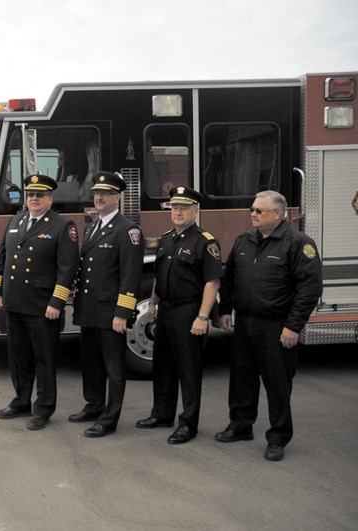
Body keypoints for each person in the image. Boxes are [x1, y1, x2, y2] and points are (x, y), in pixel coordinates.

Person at [215, 190, 322, 461]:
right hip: (245, 323)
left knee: (277, 384)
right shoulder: (244, 240)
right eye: (252, 209)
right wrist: (224, 309)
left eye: (258, 211)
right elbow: (229, 279)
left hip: (277, 326)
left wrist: (293, 327)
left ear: (277, 214)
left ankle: (278, 438)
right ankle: (240, 426)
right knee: (241, 379)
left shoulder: (298, 244)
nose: (252, 214)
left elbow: (309, 289)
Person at [0, 174, 79, 431]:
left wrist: (57, 302)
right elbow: (3, 258)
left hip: (43, 307)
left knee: (44, 360)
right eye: (31, 194)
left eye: (40, 195)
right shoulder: (16, 220)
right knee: (18, 357)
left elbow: (68, 269)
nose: (34, 199)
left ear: (50, 198)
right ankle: (21, 401)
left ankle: (44, 408)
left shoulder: (62, 226)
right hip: (14, 302)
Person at [136, 186, 222, 444]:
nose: (178, 212)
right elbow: (159, 276)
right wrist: (152, 303)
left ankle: (188, 424)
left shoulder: (205, 241)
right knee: (163, 366)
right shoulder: (166, 239)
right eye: (174, 207)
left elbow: (212, 282)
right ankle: (162, 414)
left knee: (188, 370)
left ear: (196, 210)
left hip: (189, 311)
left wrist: (203, 317)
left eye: (184, 207)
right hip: (166, 311)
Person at [70, 171, 143, 438]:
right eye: (96, 193)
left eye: (105, 193)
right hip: (89, 307)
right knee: (91, 362)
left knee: (114, 367)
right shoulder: (92, 227)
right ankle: (94, 405)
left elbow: (130, 276)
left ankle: (109, 418)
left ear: (118, 197)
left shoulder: (128, 230)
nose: (98, 197)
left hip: (111, 311)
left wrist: (123, 312)